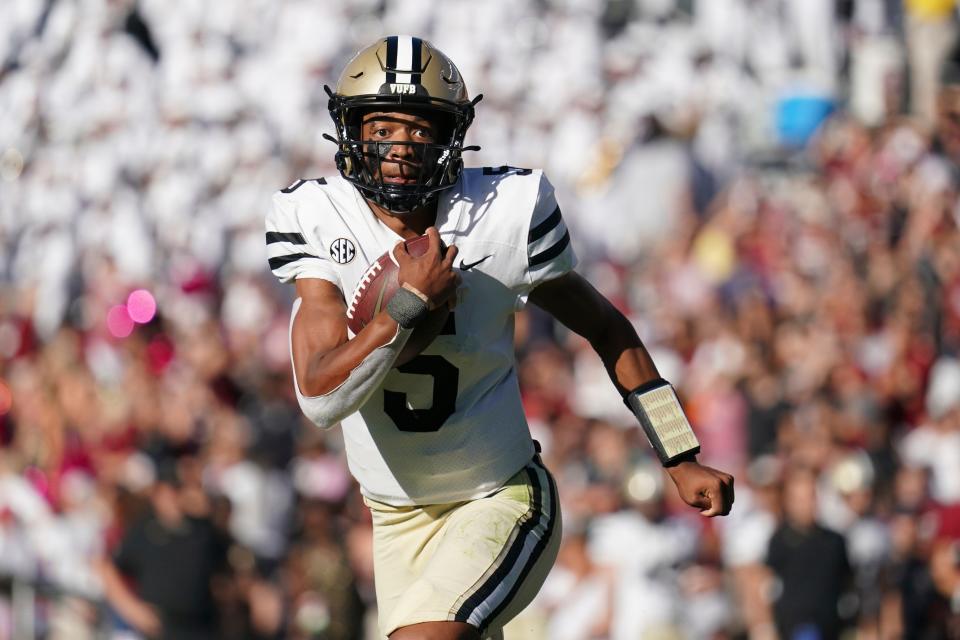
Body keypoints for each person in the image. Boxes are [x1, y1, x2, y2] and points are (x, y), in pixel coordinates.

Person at [265, 35, 735, 640]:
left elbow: (607, 327)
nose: (399, 149)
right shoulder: (315, 217)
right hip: (394, 517)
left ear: (450, 137)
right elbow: (321, 398)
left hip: (500, 497)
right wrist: (407, 307)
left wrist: (681, 454)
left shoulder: (505, 213)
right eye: (381, 129)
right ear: (351, 133)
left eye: (418, 130)